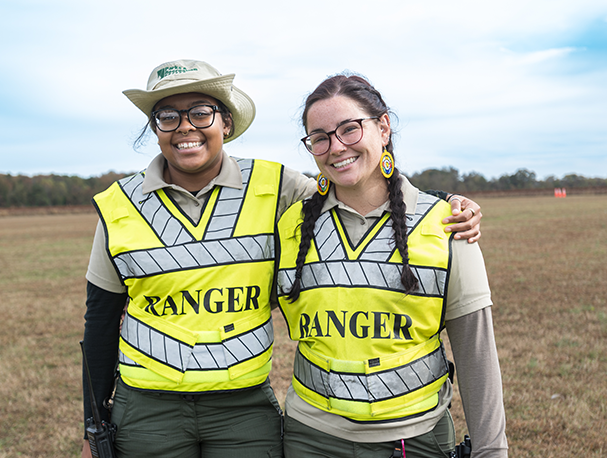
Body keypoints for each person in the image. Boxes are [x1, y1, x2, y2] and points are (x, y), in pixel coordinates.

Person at [81, 59, 484, 458]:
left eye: (201, 112)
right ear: (155, 129)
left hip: (243, 411)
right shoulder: (119, 205)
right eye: (168, 115)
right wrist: (91, 427)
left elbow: (355, 182)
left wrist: (445, 203)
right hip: (148, 408)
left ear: (226, 122)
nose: (185, 126)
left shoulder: (275, 185)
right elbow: (100, 321)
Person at [276, 74, 508, 457]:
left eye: (350, 129)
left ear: (383, 127)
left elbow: (476, 355)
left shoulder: (447, 224)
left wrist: (491, 451)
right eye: (319, 137)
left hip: (414, 439)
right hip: (310, 438)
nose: (336, 147)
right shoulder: (290, 227)